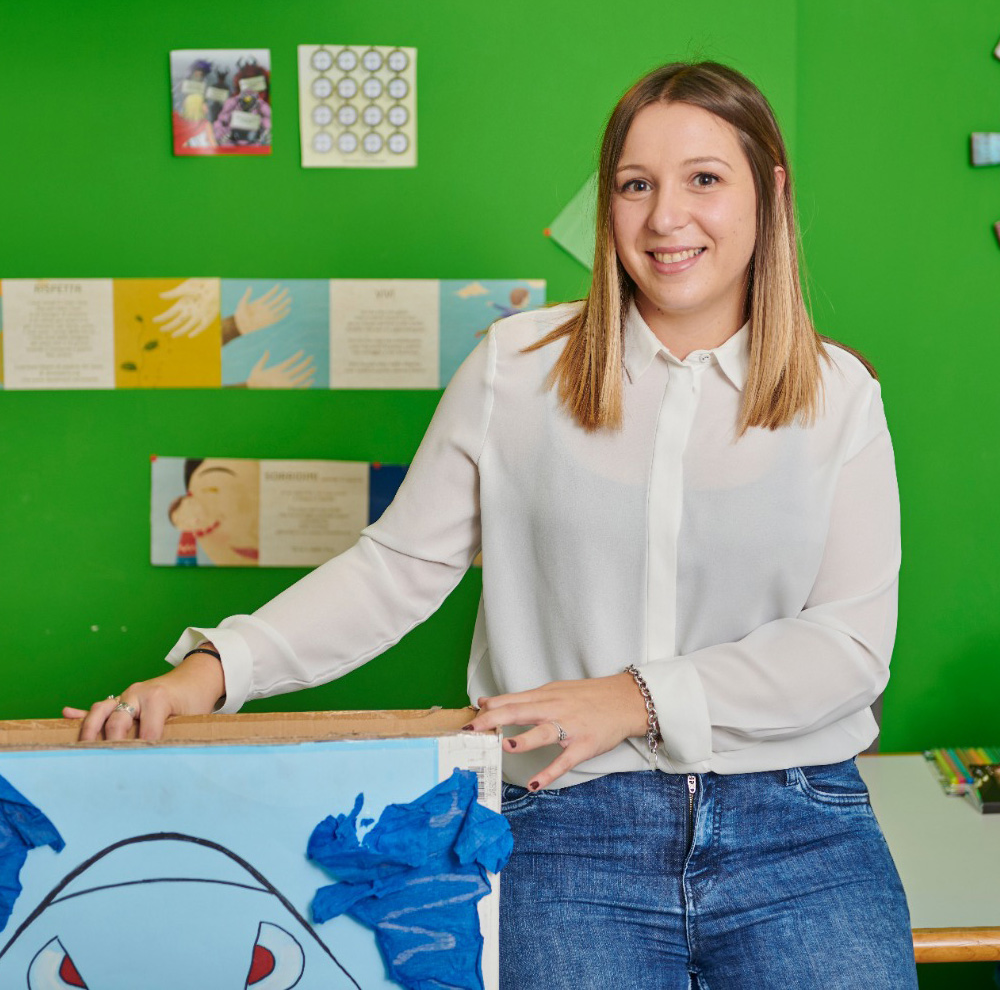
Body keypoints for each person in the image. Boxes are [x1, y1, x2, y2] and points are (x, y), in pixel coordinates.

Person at [65, 61, 917, 989]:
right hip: (568, 824)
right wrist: (212, 671)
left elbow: (847, 648)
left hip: (799, 825)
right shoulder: (516, 366)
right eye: (635, 185)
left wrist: (633, 697)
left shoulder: (840, 396)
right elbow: (395, 571)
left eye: (704, 179)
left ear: (770, 194)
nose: (666, 217)